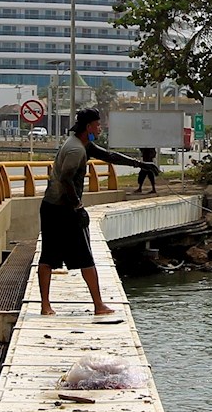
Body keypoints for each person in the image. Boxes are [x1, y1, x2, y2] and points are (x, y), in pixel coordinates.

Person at [38, 108, 161, 316]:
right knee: (82, 256)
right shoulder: (76, 150)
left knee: (51, 257)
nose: (100, 128)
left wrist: (140, 164)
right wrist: (77, 207)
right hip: (62, 209)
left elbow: (109, 155)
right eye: (98, 125)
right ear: (89, 127)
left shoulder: (83, 143)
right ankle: (97, 305)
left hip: (52, 206)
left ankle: (49, 306)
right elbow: (66, 179)